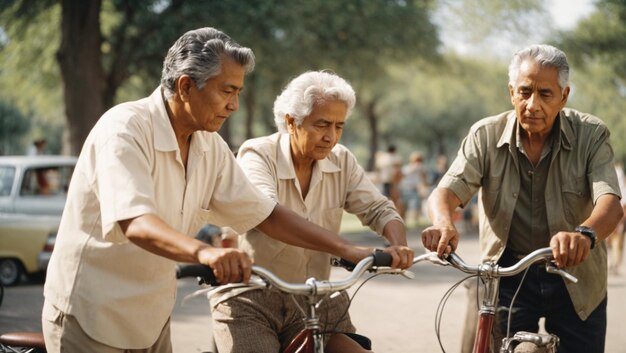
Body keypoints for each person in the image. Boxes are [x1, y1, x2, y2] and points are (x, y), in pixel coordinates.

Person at [42, 28, 381, 353]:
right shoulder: (125, 129)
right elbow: (137, 222)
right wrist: (206, 252)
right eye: (226, 91)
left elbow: (266, 215)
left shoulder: (210, 146)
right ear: (187, 86)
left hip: (152, 316)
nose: (234, 105)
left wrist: (347, 248)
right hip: (91, 311)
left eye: (238, 93)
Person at [421, 44, 623, 353]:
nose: (533, 105)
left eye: (545, 94)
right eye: (525, 92)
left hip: (577, 278)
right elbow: (446, 192)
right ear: (511, 92)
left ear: (564, 96)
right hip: (508, 275)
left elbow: (609, 202)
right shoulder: (485, 135)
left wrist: (584, 234)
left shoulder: (591, 134)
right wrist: (443, 222)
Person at [210, 71, 414, 353]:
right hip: (251, 298)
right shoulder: (256, 153)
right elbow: (268, 216)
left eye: (339, 126)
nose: (331, 137)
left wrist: (398, 246)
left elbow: (380, 208)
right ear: (291, 122)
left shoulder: (342, 159)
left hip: (316, 298)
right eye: (322, 125)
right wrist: (348, 249)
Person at [608, 162, 626, 275]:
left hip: (618, 213)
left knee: (617, 241)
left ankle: (616, 264)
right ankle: (613, 263)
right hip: (611, 212)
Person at [399, 151, 427, 223]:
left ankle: (415, 221)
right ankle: (403, 222)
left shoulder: (421, 169)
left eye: (419, 161)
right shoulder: (406, 168)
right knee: (403, 207)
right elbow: (401, 176)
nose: (418, 163)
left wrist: (423, 189)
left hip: (414, 189)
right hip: (405, 189)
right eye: (416, 160)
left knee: (415, 206)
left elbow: (423, 179)